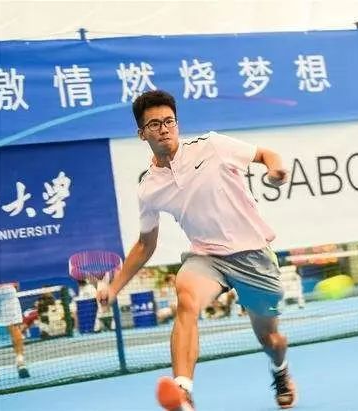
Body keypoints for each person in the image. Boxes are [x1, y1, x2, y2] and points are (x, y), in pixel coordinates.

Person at [98, 90, 296, 410]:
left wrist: (274, 171)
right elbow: (145, 244)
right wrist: (114, 287)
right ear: (141, 133)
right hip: (207, 257)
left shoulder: (212, 146)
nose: (164, 129)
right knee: (186, 300)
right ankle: (183, 391)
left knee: (271, 340)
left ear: (177, 124)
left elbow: (266, 154)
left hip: (253, 255)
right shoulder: (149, 188)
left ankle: (280, 370)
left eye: (169, 121)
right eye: (154, 124)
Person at [0, 283, 30, 379]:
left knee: (14, 327)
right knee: (14, 327)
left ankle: (20, 362)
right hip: (7, 287)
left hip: (7, 288)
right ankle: (21, 363)